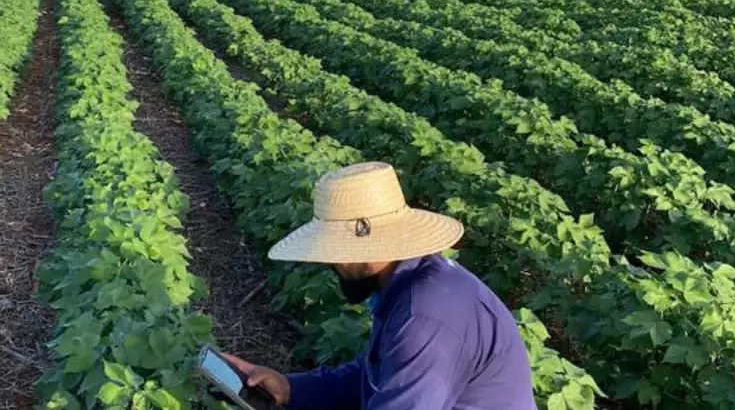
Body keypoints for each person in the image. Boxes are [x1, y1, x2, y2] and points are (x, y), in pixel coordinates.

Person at [222, 162, 536, 409]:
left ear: (369, 249)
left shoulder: (424, 317)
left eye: (335, 252)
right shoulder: (411, 284)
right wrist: (290, 388)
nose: (330, 264)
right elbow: (380, 377)